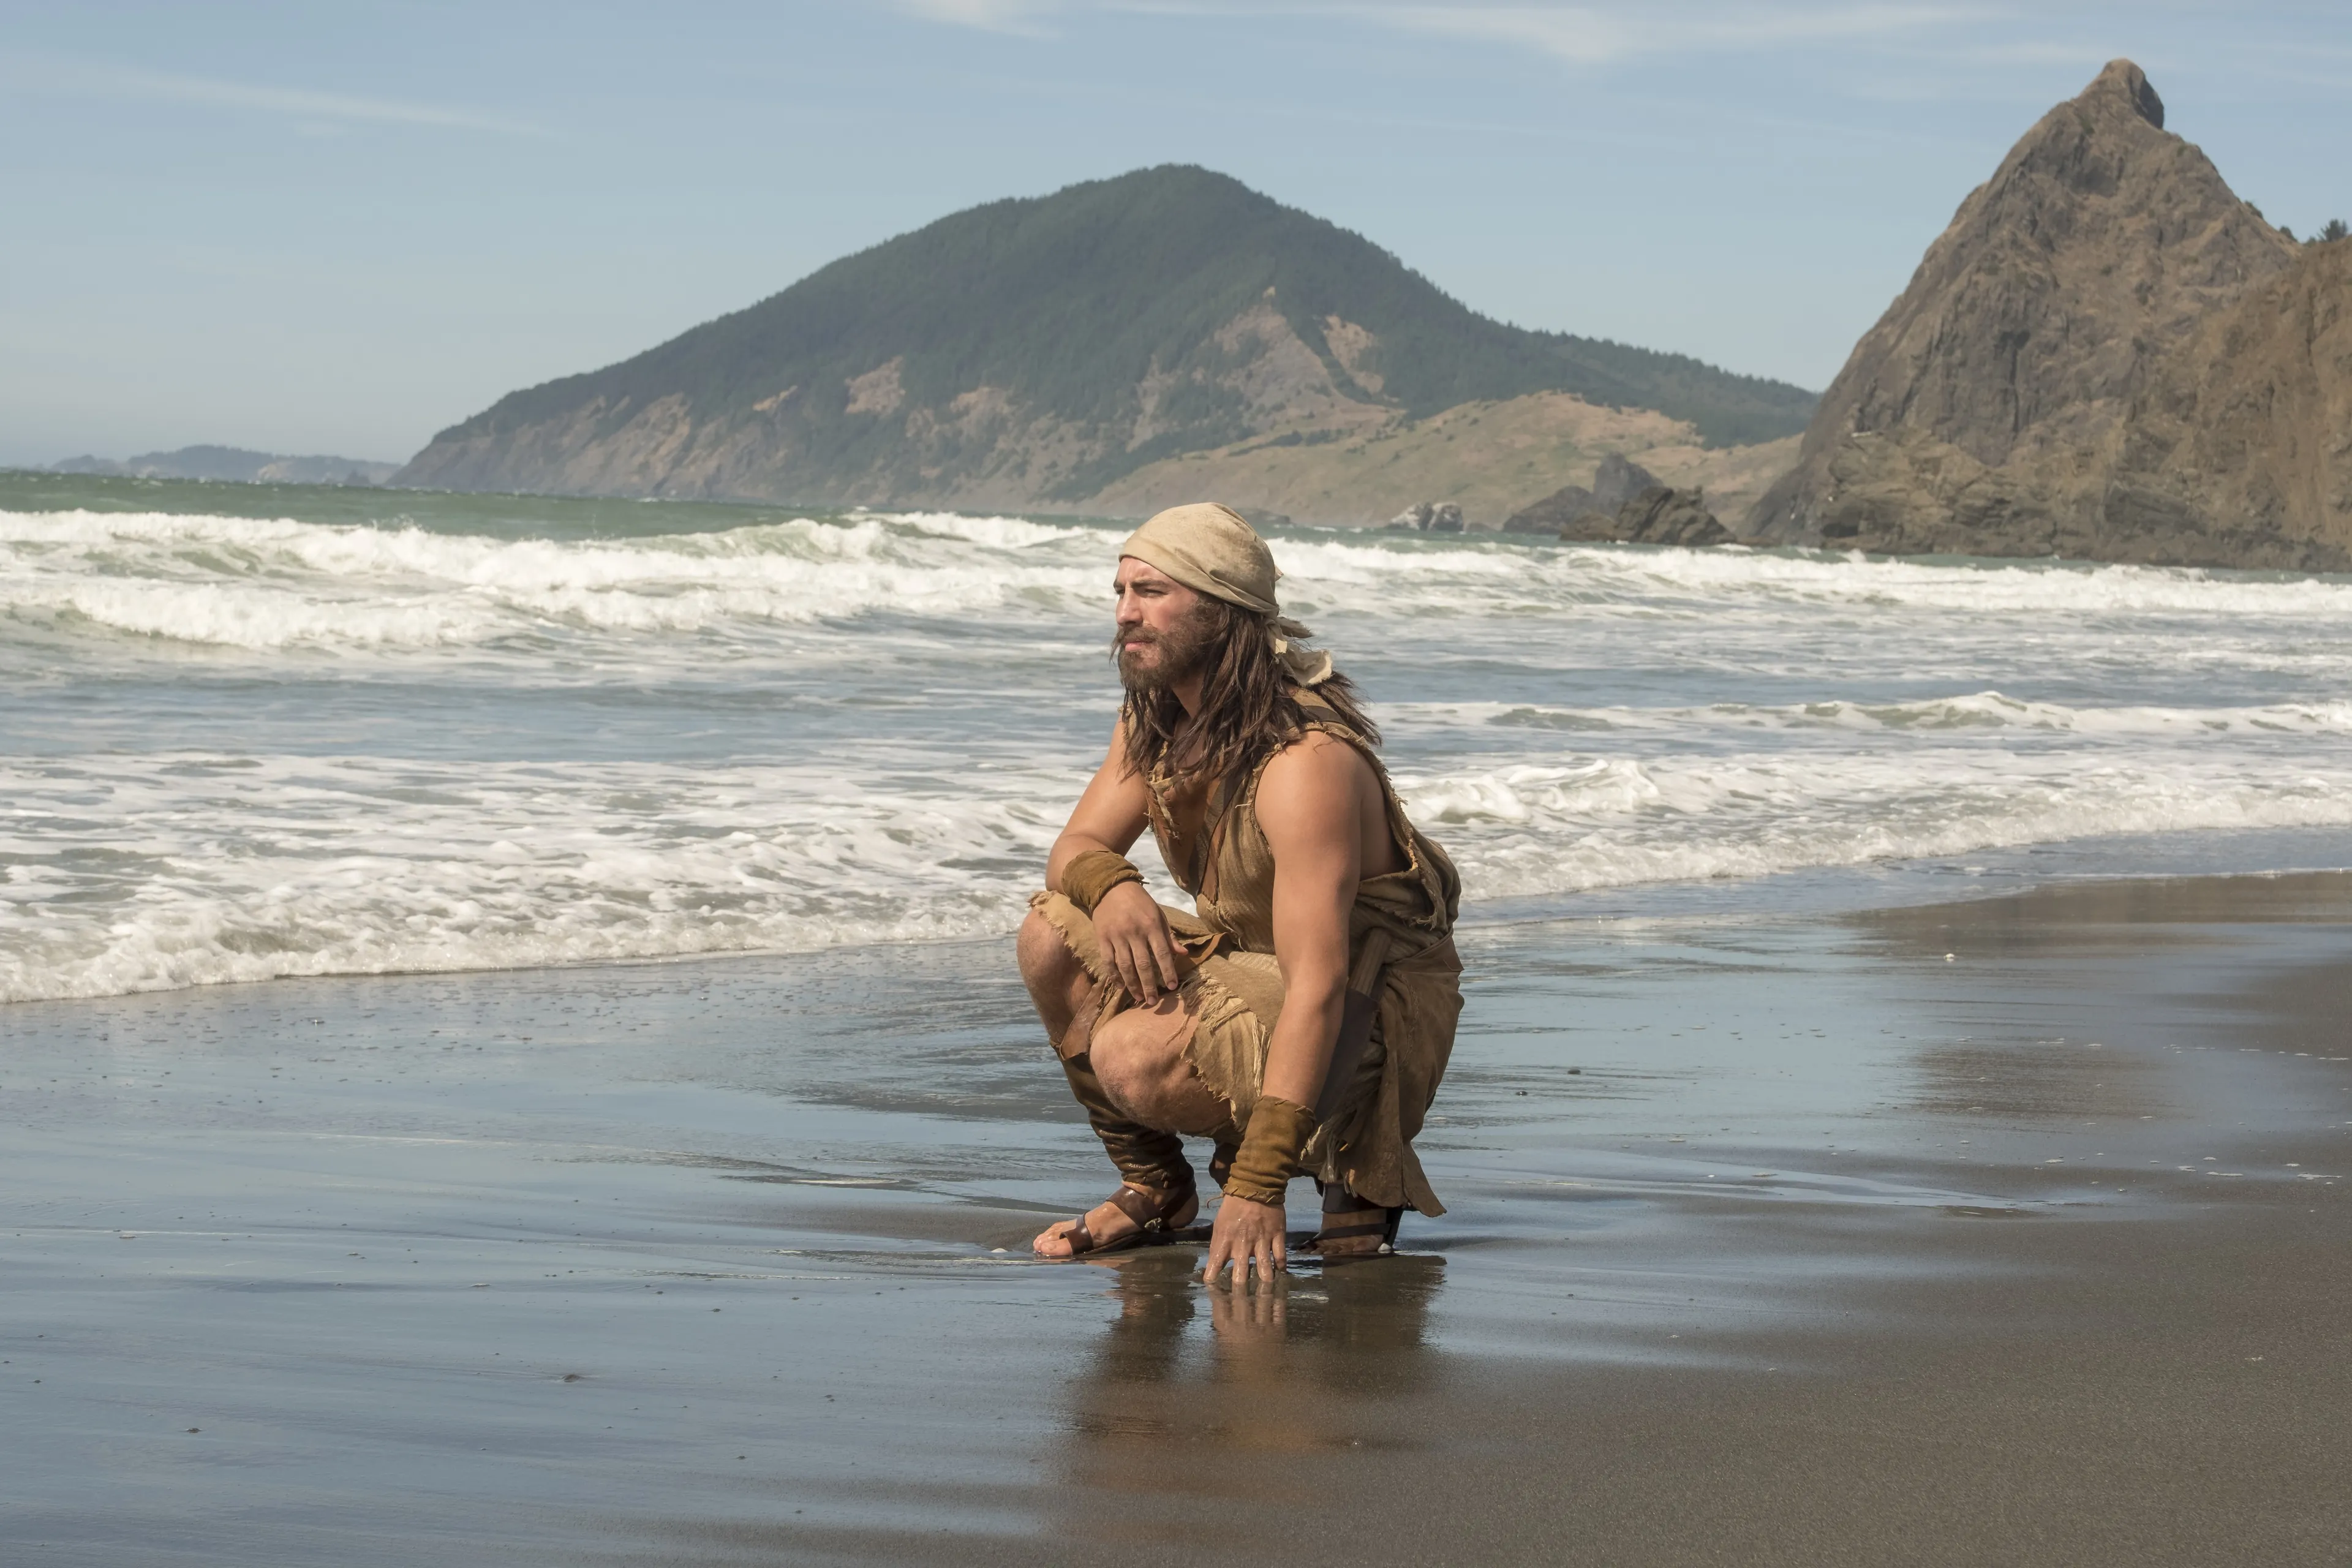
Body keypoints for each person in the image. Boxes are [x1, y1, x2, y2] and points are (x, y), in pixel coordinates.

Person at [1018, 502, 1463, 1286]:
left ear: (1223, 610)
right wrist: (1113, 887)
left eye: (1152, 592)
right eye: (1121, 591)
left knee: (1134, 1056)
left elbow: (1322, 985)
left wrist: (1256, 1187)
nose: (1125, 614)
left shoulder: (1303, 762)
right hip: (1262, 969)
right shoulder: (1157, 719)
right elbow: (1076, 848)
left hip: (1371, 1008)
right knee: (1049, 932)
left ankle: (1351, 1147)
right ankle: (1156, 1184)